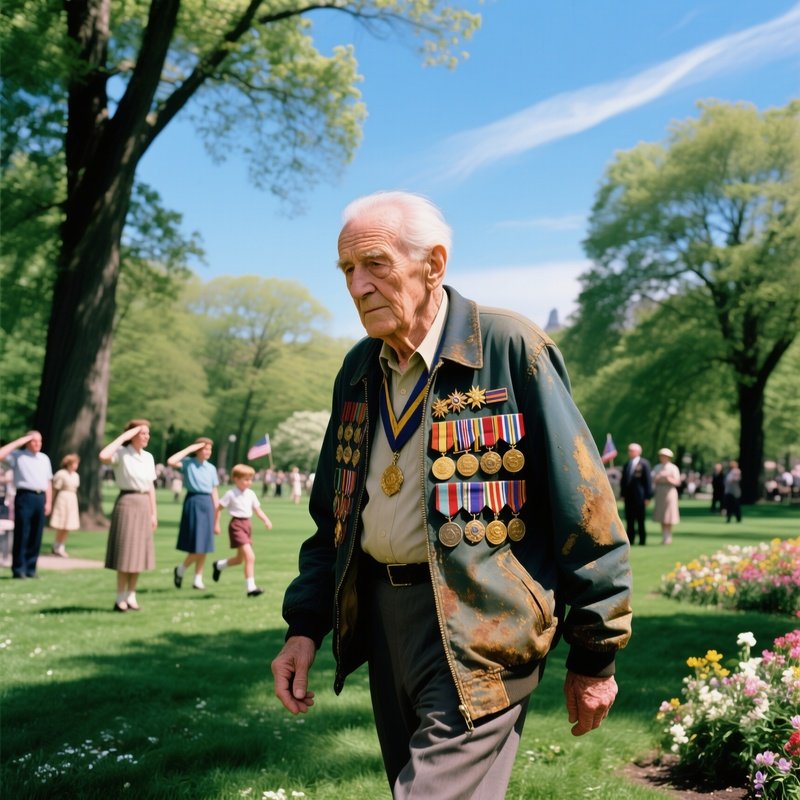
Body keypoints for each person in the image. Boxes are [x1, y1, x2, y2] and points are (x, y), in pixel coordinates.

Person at [271, 191, 633, 799]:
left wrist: (595, 651)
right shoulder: (359, 368)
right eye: (347, 270)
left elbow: (586, 505)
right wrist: (304, 626)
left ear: (434, 264)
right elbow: (330, 521)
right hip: (384, 620)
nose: (358, 286)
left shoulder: (511, 347)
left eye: (376, 265)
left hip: (482, 624)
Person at [99, 420, 158, 612]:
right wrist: (124, 437)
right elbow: (103, 456)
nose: (146, 437)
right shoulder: (122, 454)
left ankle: (132, 595)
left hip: (143, 505)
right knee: (126, 552)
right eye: (142, 433)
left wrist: (153, 513)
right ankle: (120, 597)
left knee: (139, 553)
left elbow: (150, 487)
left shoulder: (148, 457)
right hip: (127, 502)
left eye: (147, 433)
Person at [167, 438, 220, 591]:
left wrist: (217, 515)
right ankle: (181, 569)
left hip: (207, 503)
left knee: (205, 544)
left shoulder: (211, 468)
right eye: (205, 449)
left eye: (210, 449)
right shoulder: (188, 463)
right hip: (193, 501)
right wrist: (191, 448)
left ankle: (197, 578)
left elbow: (214, 492)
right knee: (197, 543)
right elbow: (171, 461)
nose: (208, 452)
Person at [213, 464, 273, 596]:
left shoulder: (250, 494)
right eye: (245, 479)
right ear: (235, 479)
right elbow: (218, 508)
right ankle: (251, 588)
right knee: (250, 557)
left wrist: (266, 520)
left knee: (240, 559)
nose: (249, 482)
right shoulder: (231, 493)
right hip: (236, 525)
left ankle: (219, 565)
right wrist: (216, 524)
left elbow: (257, 510)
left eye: (250, 479)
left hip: (247, 525)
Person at [0, 432, 53, 579]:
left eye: (40, 441)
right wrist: (21, 440)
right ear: (28, 442)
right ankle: (19, 568)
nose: (37, 444)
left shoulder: (44, 458)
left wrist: (48, 502)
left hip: (40, 497)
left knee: (36, 534)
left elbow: (49, 482)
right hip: (25, 496)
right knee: (22, 532)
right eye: (34, 441)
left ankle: (31, 568)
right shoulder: (18, 455)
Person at [620, 443, 653, 545]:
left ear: (638, 452)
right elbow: (623, 481)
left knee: (640, 519)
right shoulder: (627, 464)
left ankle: (642, 540)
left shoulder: (644, 464)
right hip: (628, 497)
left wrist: (648, 496)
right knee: (629, 519)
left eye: (632, 450)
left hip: (640, 497)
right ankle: (630, 540)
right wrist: (622, 494)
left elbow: (648, 481)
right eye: (629, 450)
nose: (630, 452)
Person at [50, 453, 81, 557]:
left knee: (68, 524)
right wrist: (51, 501)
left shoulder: (76, 475)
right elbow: (55, 489)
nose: (75, 466)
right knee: (61, 524)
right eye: (73, 463)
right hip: (63, 499)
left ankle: (61, 545)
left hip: (72, 499)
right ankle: (56, 545)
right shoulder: (61, 474)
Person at [651, 448, 681, 545]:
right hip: (660, 492)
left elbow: (677, 482)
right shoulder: (657, 467)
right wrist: (659, 477)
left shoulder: (673, 468)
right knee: (662, 514)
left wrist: (668, 478)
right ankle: (664, 535)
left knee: (669, 515)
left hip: (670, 491)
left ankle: (668, 535)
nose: (663, 458)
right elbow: (653, 479)